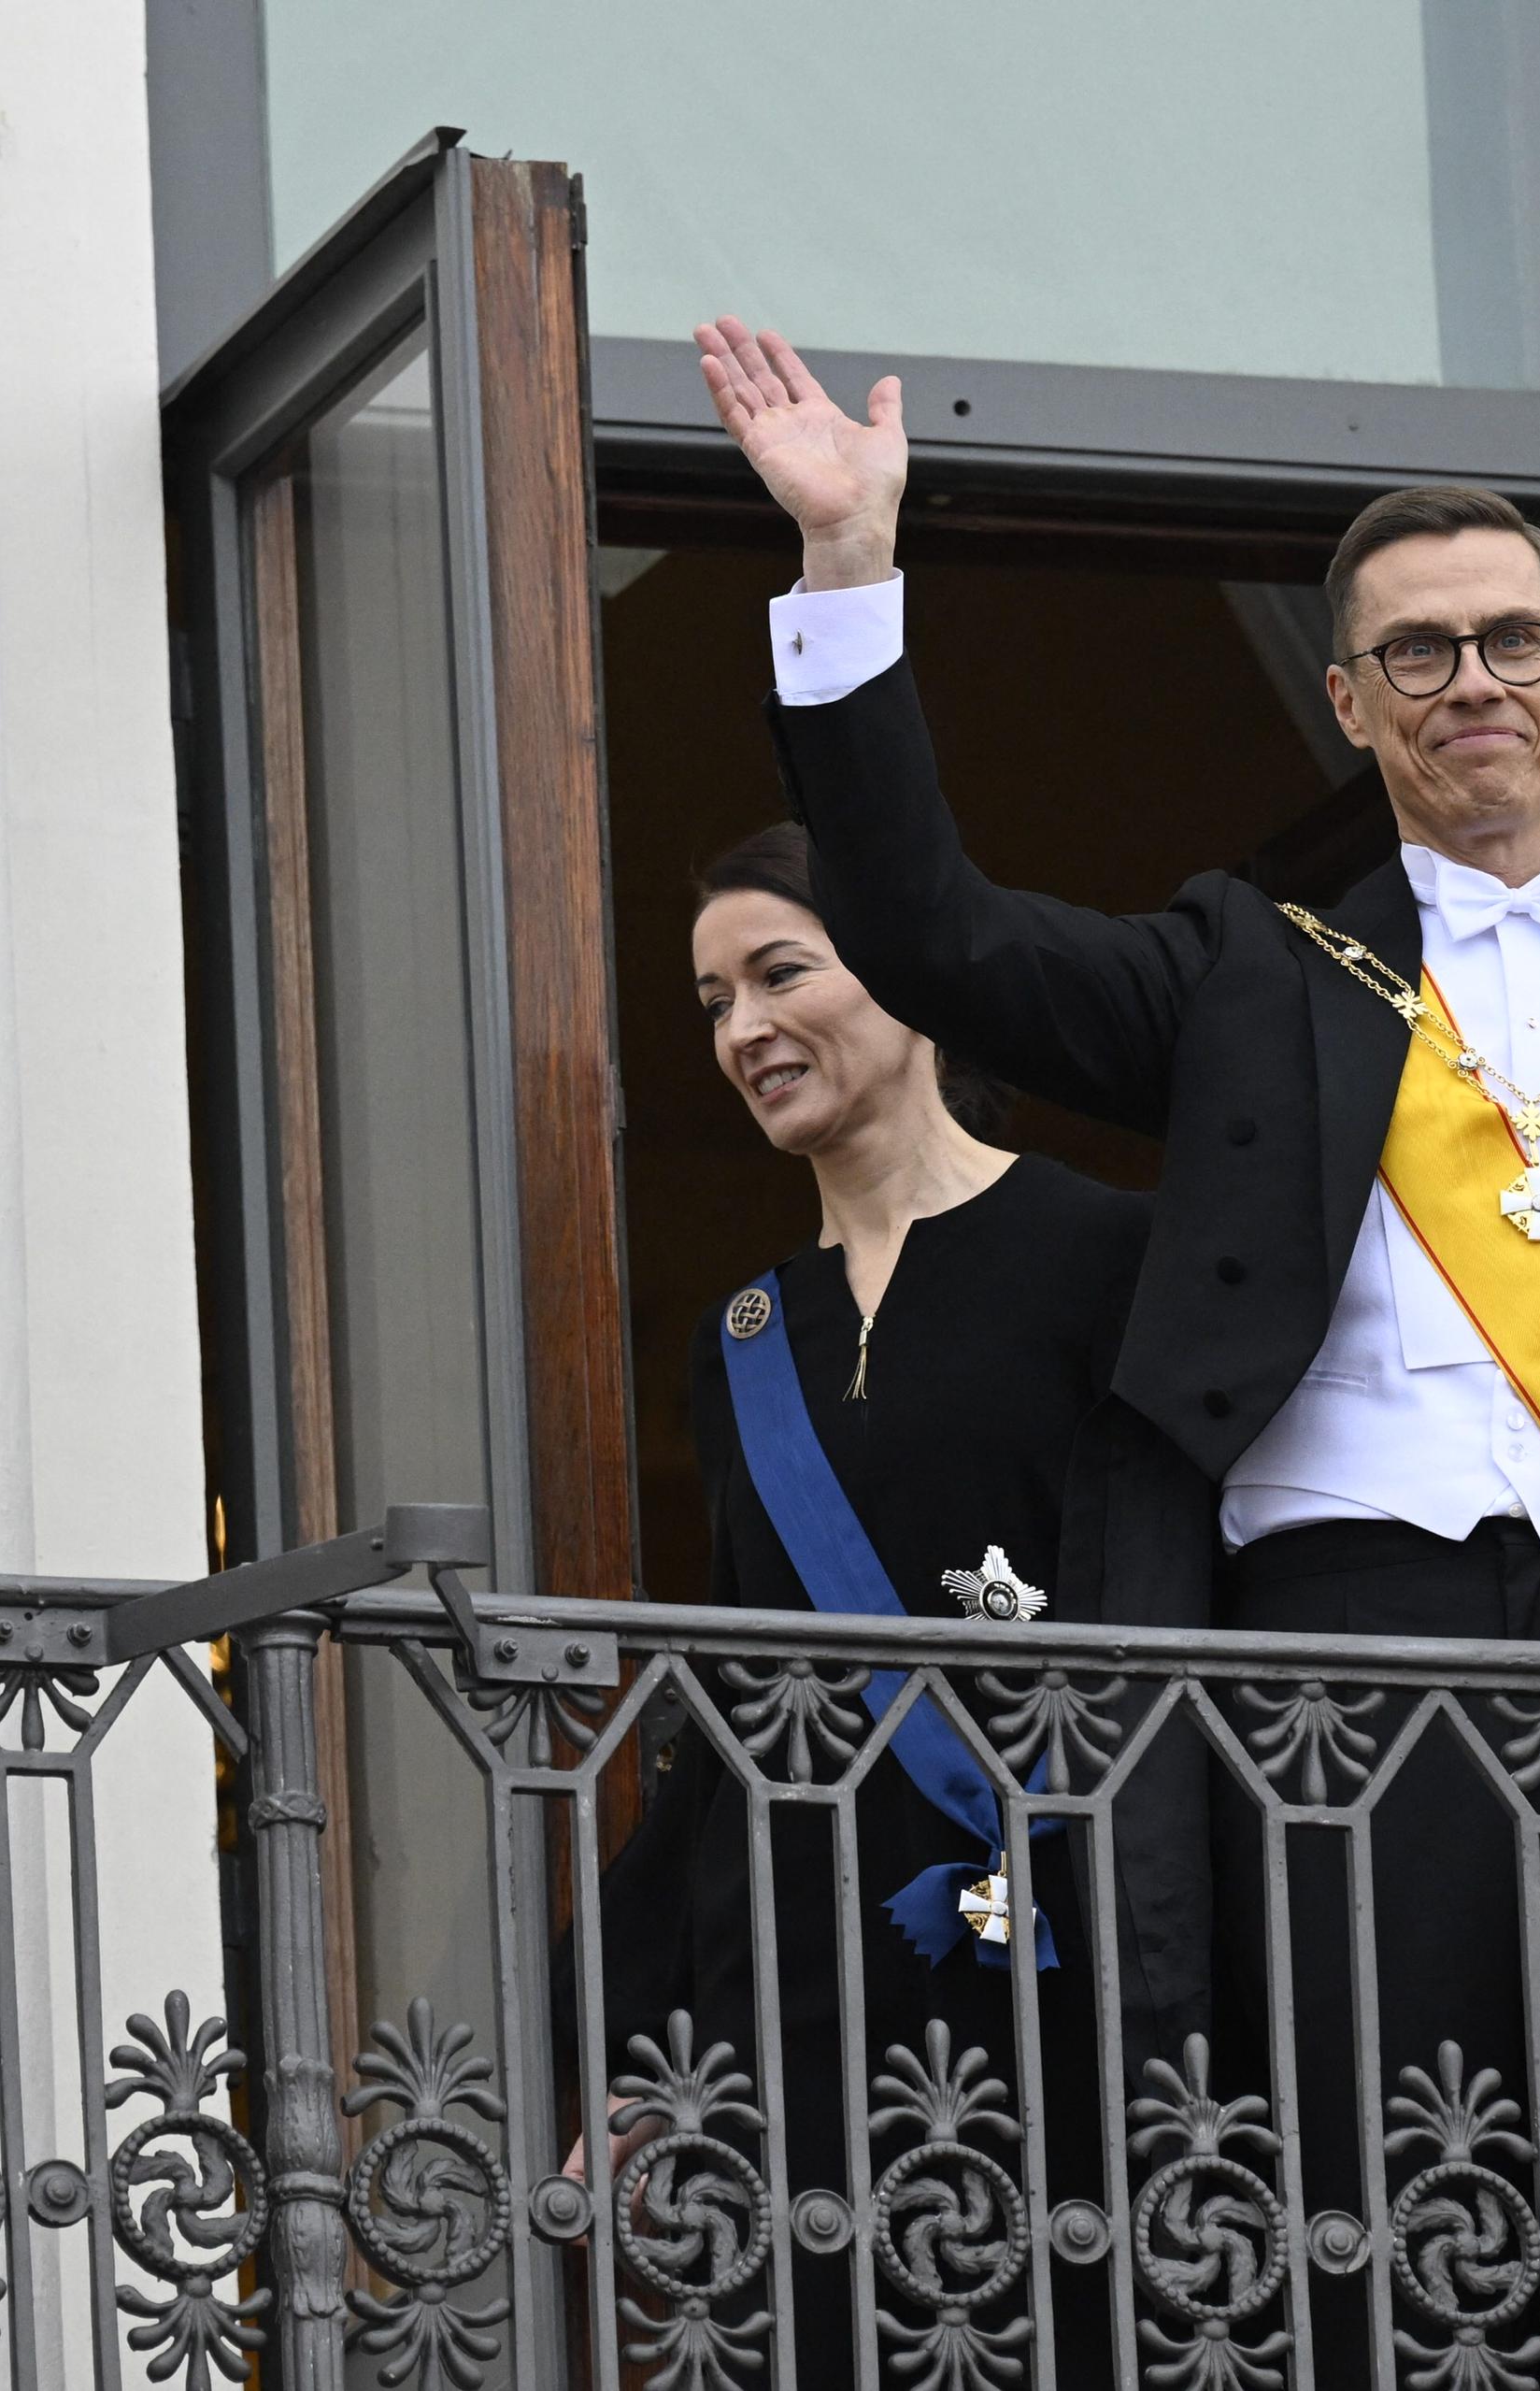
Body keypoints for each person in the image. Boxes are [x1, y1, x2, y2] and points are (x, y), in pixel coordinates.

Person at [689, 316, 1540, 2370]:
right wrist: (847, 570)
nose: (1471, 679)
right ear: (1348, 700)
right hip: (1327, 1685)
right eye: (1416, 650)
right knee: (1376, 2243)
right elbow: (938, 933)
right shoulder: (1250, 971)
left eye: (1509, 638)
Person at [572, 823, 1164, 2385]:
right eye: (712, 1002)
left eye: (781, 972)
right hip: (814, 1966)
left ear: (908, 965)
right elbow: (729, 1702)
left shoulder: (1107, 1255)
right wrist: (631, 2042)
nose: (742, 1029)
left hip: (1062, 1949)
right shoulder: (748, 1331)